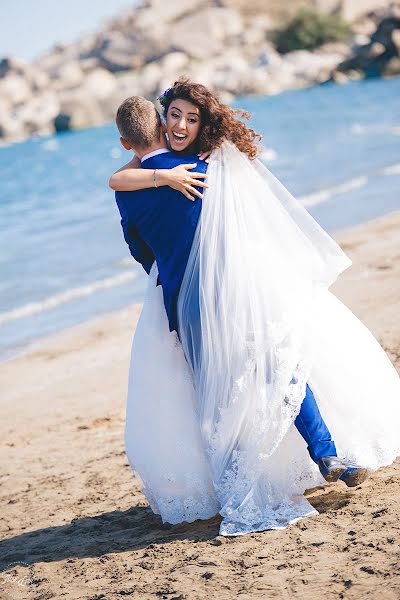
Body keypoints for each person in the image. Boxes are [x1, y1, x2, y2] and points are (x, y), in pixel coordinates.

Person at [111, 81, 400, 537]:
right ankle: (326, 454)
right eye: (175, 118)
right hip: (240, 289)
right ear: (164, 124)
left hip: (185, 304)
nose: (181, 125)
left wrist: (166, 267)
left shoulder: (127, 188)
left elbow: (138, 247)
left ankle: (240, 479)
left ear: (126, 142)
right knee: (280, 367)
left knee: (217, 393)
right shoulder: (201, 165)